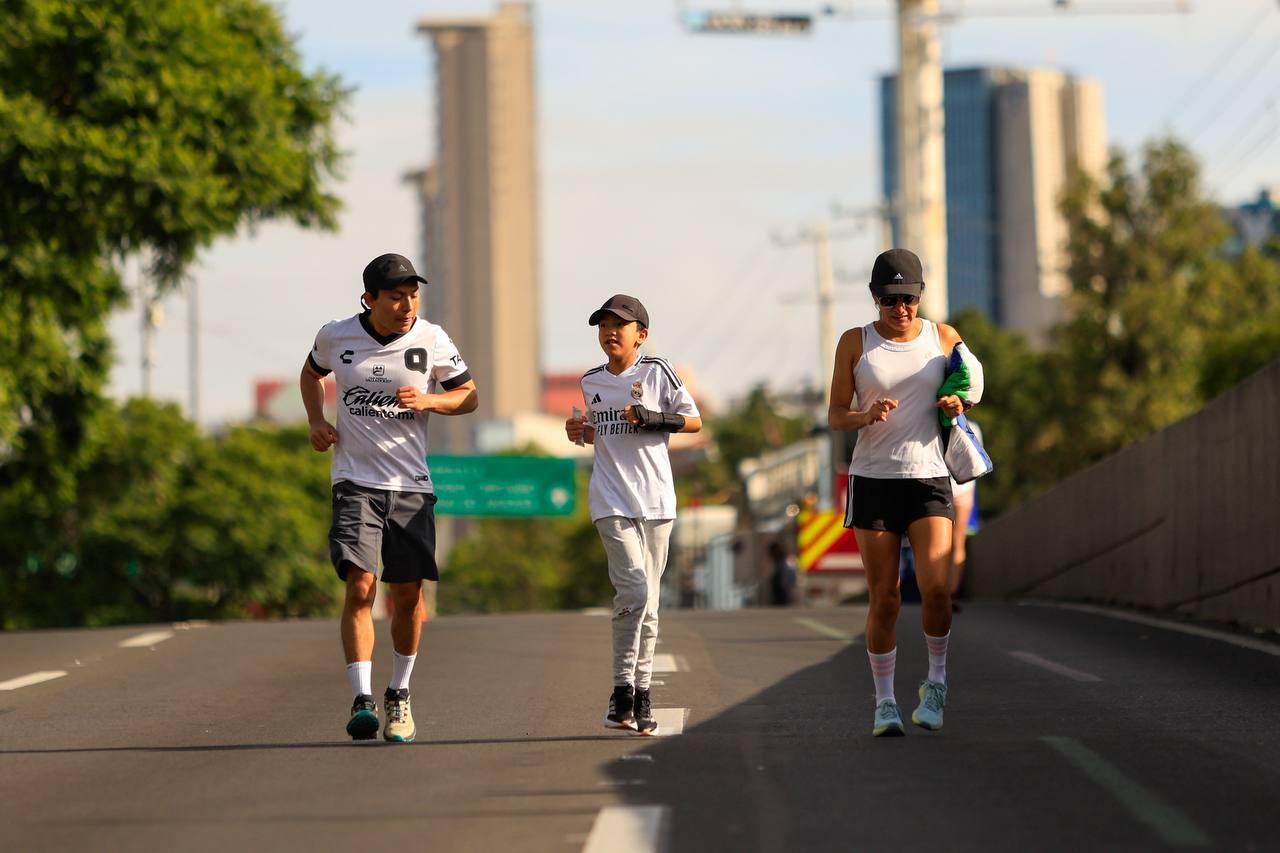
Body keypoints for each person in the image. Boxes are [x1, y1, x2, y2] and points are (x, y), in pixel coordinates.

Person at [301, 253, 478, 743]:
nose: (407, 306)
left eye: (413, 295)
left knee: (408, 596)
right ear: (369, 299)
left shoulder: (432, 338)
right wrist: (316, 421)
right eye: (396, 297)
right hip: (354, 481)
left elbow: (468, 395)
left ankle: (399, 692)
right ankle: (362, 699)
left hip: (412, 487)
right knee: (360, 585)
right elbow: (311, 374)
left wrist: (431, 400)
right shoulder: (336, 336)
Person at [827, 248, 983, 737]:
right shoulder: (855, 342)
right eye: (891, 299)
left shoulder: (944, 337)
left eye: (909, 299)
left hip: (929, 477)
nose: (901, 309)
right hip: (873, 479)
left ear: (920, 296)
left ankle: (935, 683)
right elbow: (835, 415)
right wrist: (864, 416)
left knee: (936, 588)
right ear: (875, 297)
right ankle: (885, 702)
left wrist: (958, 402)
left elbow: (971, 383)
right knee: (886, 598)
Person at [565, 295, 701, 736]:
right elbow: (598, 433)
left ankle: (640, 696)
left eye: (619, 325)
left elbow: (693, 421)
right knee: (634, 590)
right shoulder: (591, 381)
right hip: (610, 500)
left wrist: (652, 417)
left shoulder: (657, 371)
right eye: (603, 325)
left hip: (656, 501)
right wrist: (579, 431)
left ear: (640, 334)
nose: (609, 332)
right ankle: (621, 690)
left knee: (651, 604)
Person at [948, 419, 983, 609]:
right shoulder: (973, 427)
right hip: (964, 489)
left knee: (939, 542)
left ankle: (941, 591)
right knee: (958, 542)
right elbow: (976, 463)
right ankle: (951, 592)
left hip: (940, 487)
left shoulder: (933, 422)